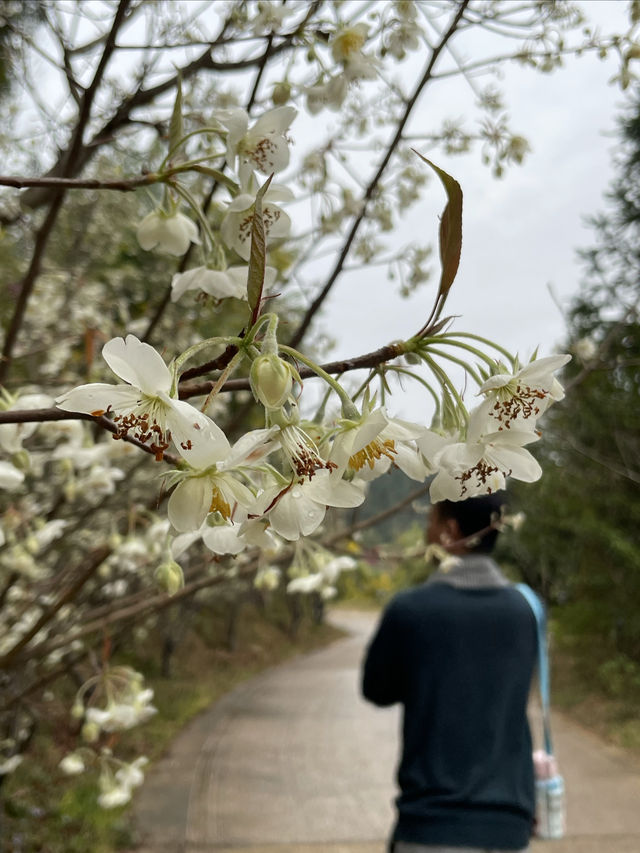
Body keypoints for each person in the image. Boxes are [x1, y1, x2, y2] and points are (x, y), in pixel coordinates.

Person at [361, 492, 538, 853]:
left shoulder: (412, 610)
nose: (427, 529)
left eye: (431, 520)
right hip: (509, 826)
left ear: (450, 531)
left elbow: (376, 689)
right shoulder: (524, 609)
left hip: (433, 824)